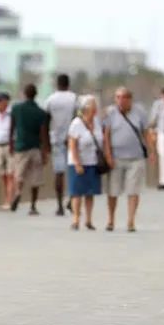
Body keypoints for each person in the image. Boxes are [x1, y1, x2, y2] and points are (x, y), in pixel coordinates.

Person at [102, 87, 152, 232]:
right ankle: (111, 220)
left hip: (136, 157)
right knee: (113, 191)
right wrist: (108, 155)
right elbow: (106, 136)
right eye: (117, 97)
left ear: (130, 99)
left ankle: (131, 221)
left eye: (123, 97)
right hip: (116, 157)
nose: (120, 101)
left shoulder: (139, 113)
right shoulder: (110, 113)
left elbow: (146, 133)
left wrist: (152, 151)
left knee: (133, 190)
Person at [67, 95, 106, 230]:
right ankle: (76, 218)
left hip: (93, 161)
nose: (95, 110)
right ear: (86, 109)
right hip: (78, 162)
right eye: (93, 108)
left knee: (90, 192)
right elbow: (72, 145)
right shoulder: (77, 124)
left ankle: (89, 219)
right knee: (77, 192)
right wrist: (77, 163)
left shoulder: (97, 122)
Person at [9, 83, 49, 215]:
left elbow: (12, 128)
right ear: (35, 95)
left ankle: (18, 192)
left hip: (21, 146)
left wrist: (11, 144)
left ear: (24, 94)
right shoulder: (40, 113)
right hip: (35, 148)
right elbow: (44, 134)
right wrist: (45, 151)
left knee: (19, 174)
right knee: (35, 178)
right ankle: (33, 206)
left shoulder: (16, 109)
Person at [43, 74, 77, 216]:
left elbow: (45, 122)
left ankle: (59, 206)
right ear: (68, 84)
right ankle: (71, 200)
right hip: (73, 139)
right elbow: (79, 118)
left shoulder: (50, 100)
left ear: (57, 84)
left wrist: (45, 144)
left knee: (59, 173)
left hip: (56, 139)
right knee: (74, 172)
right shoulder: (74, 98)